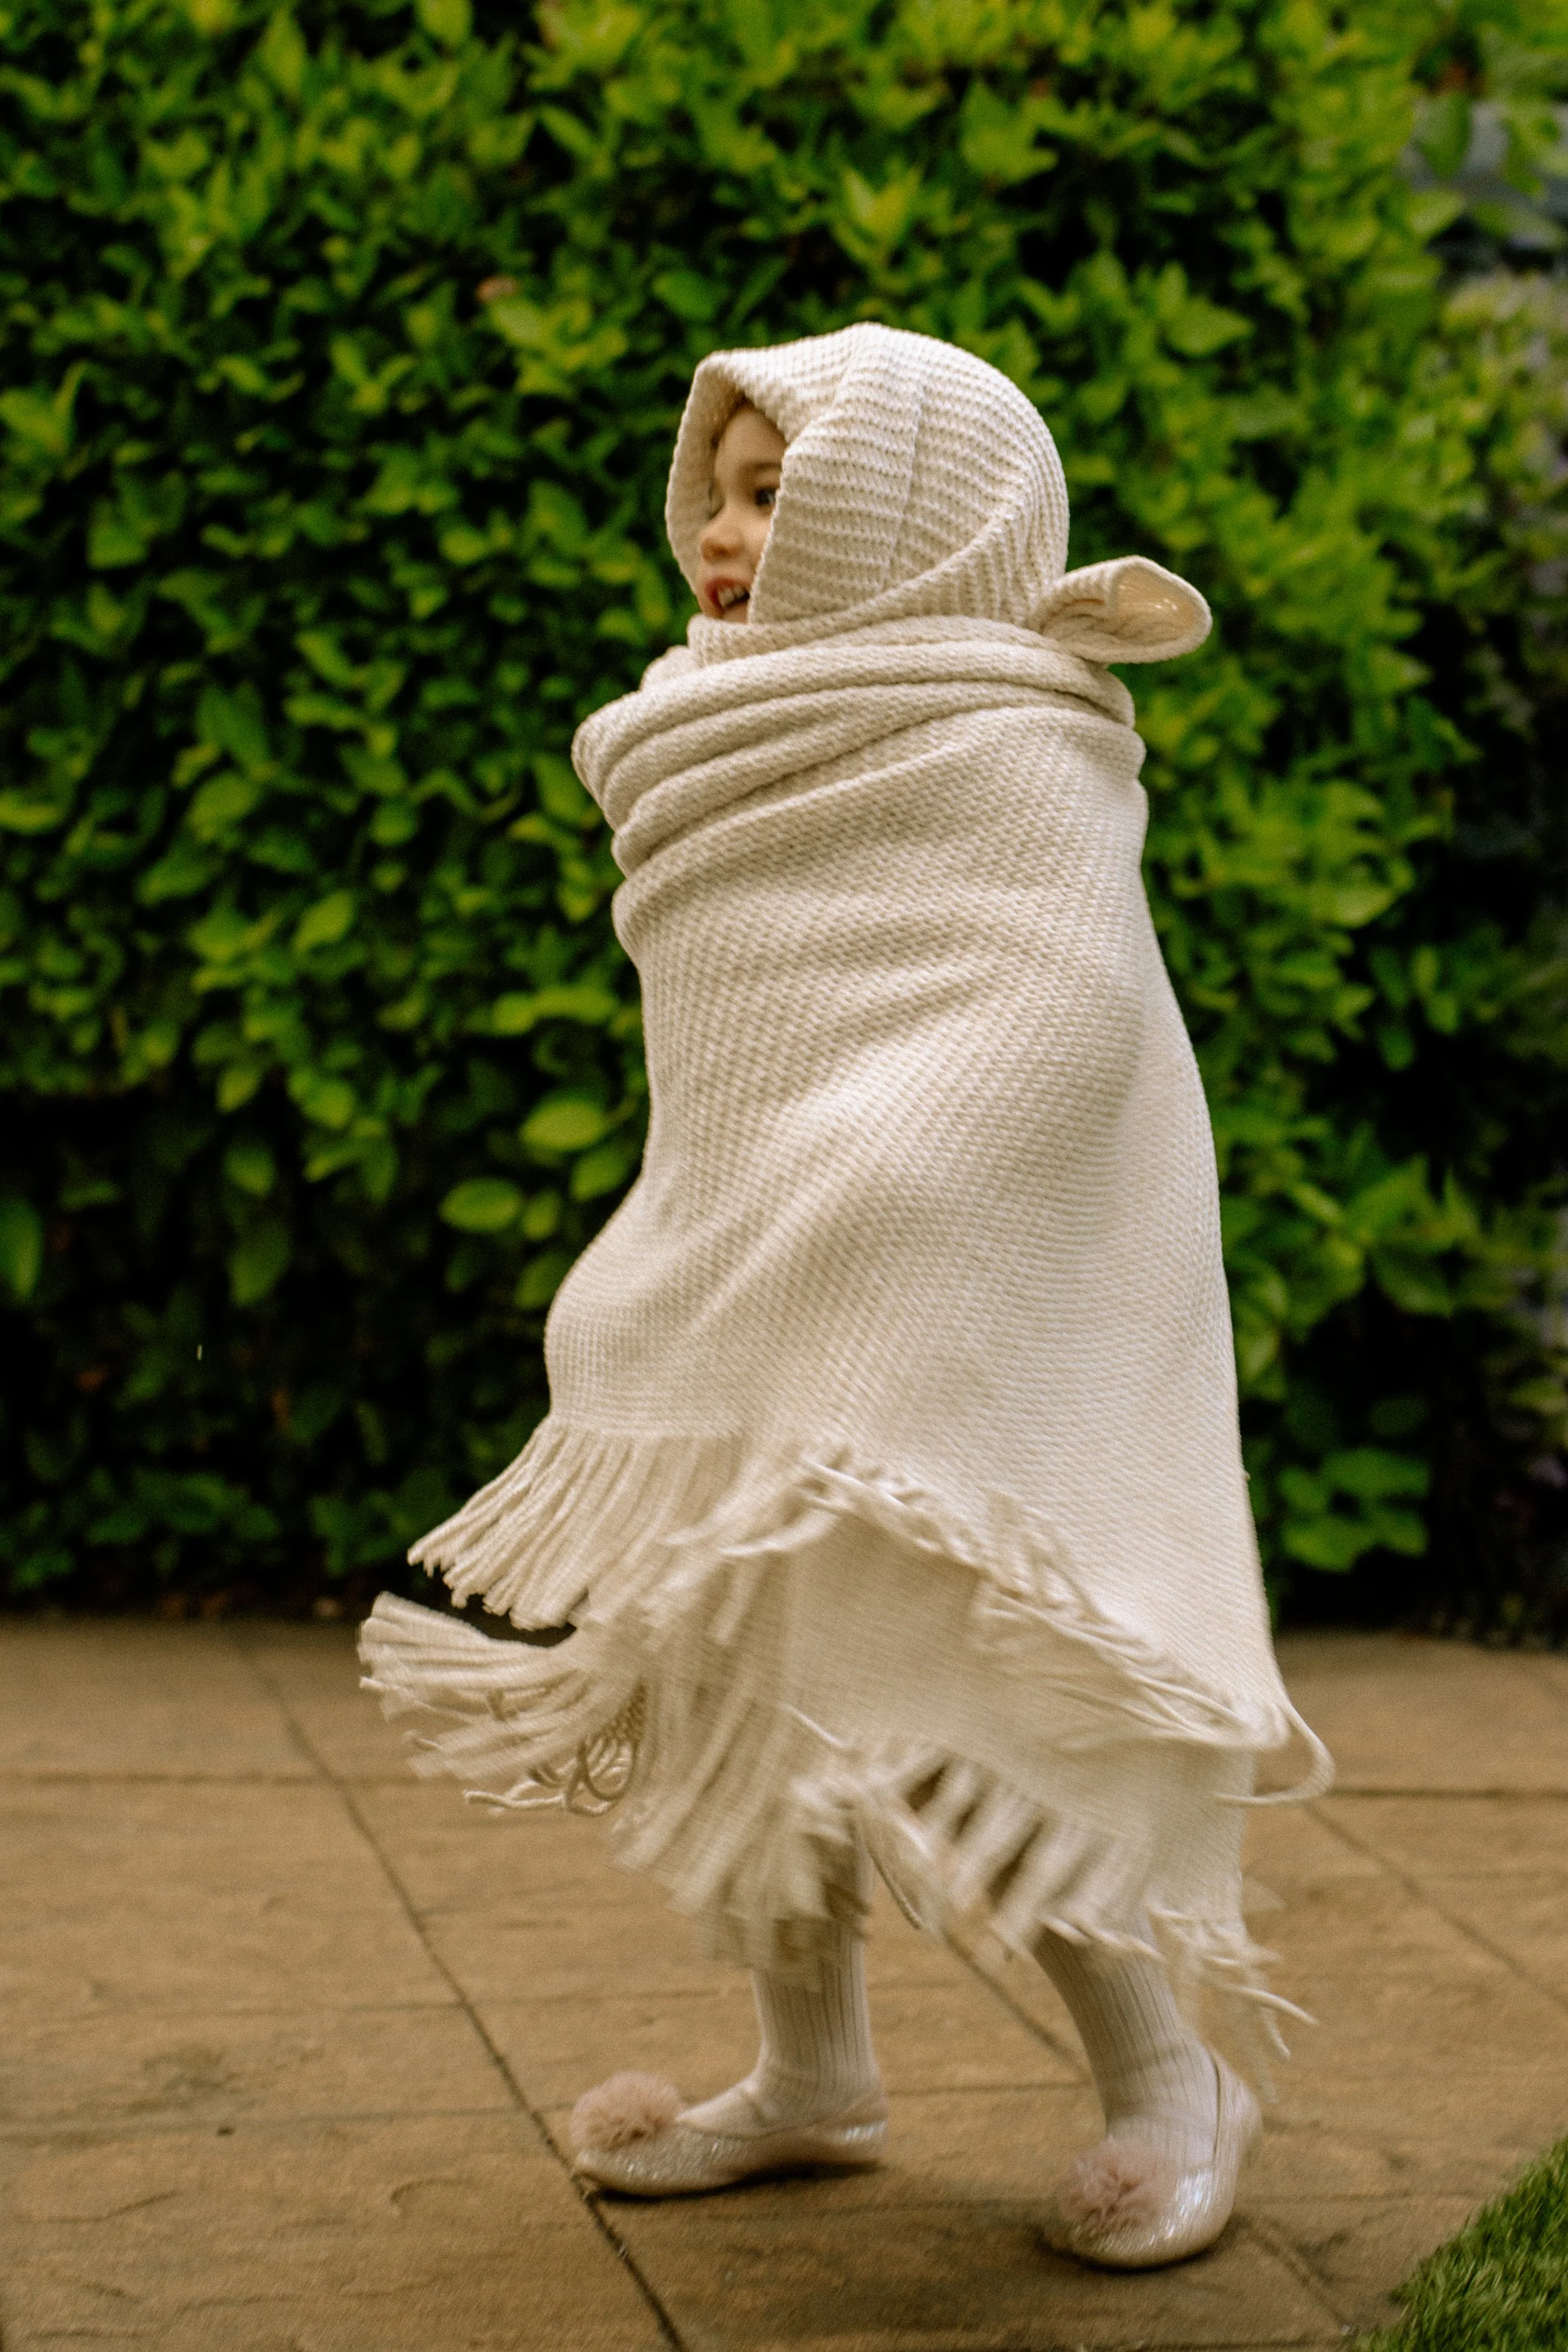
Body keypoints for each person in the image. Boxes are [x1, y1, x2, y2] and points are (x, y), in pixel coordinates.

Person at [360, 323, 1329, 2269]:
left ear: (913, 519)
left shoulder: (1005, 731)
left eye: (775, 497)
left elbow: (1047, 1013)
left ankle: (1168, 2074)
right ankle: (811, 2070)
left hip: (958, 1281)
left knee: (970, 1683)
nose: (720, 539)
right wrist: (730, 1231)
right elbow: (748, 1038)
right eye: (710, 498)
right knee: (751, 1668)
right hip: (757, 1253)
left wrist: (892, 1190)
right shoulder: (707, 723)